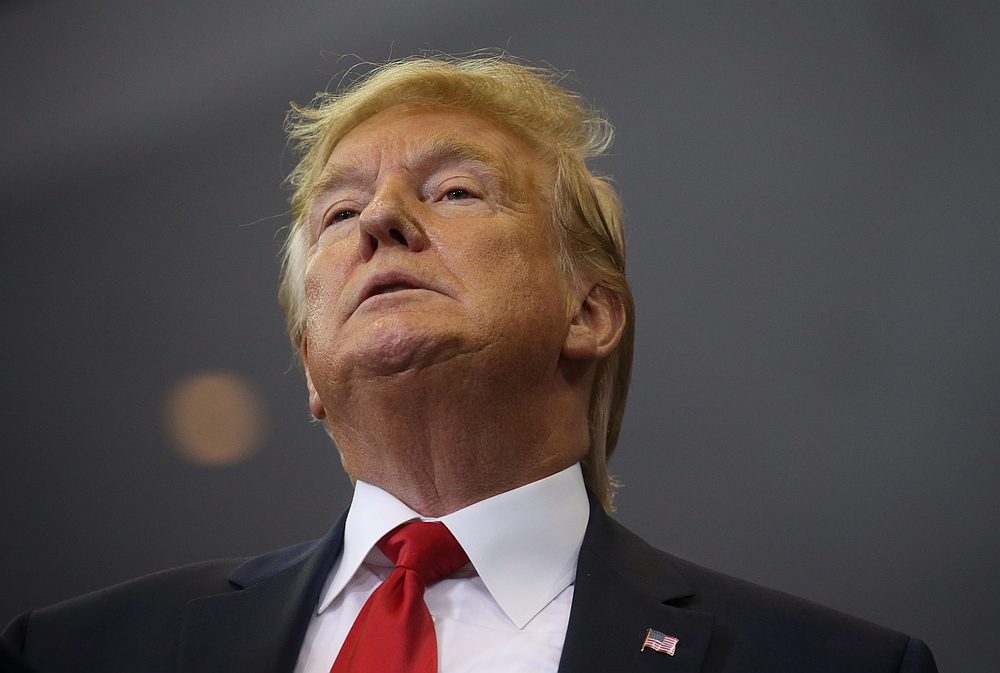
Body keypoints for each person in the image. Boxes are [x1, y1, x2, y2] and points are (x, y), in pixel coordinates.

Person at [3, 54, 937, 673]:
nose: (380, 220)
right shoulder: (70, 651)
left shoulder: (832, 661)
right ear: (308, 368)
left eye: (455, 190)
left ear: (590, 311)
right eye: (338, 213)